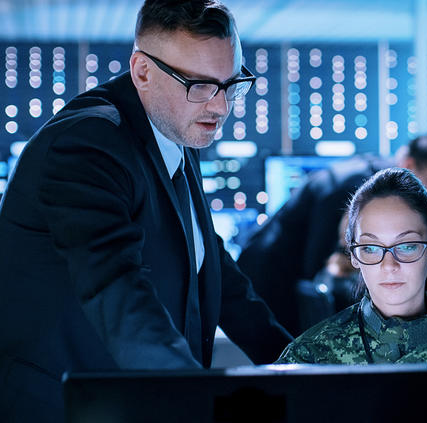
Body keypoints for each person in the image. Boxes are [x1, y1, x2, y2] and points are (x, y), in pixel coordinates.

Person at [0, 1, 292, 421]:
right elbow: (115, 288)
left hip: (130, 401)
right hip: (63, 407)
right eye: (200, 85)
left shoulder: (177, 125)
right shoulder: (87, 144)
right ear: (142, 72)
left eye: (231, 84)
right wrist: (194, 397)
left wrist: (299, 363)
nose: (221, 107)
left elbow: (213, 269)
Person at [275, 168, 427, 422]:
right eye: (370, 248)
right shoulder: (309, 359)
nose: (389, 265)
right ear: (353, 254)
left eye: (406, 246)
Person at [237, 135, 427, 336]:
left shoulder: (369, 176)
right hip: (264, 281)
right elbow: (316, 264)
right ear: (409, 165)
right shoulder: (358, 190)